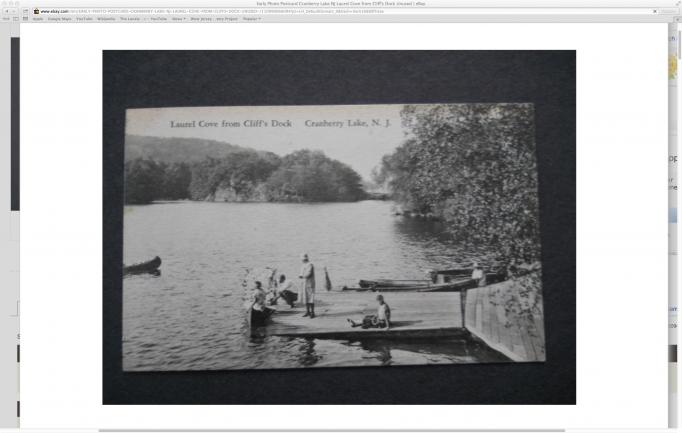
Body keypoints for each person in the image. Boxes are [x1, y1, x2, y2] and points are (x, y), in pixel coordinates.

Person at [299, 253, 316, 318]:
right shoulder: (303, 265)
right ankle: (307, 311)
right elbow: (301, 274)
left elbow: (309, 274)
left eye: (303, 259)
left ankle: (312, 312)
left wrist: (302, 276)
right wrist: (301, 276)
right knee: (305, 298)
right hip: (304, 283)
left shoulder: (310, 264)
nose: (303, 260)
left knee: (311, 298)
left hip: (310, 283)